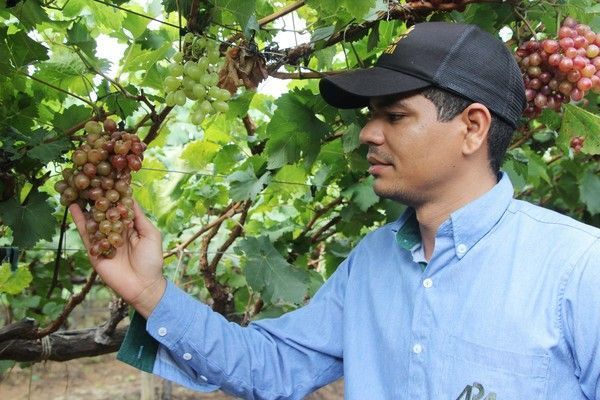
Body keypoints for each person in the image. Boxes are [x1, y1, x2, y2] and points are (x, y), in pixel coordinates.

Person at [70, 22, 600, 400]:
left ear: (473, 128)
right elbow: (272, 366)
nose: (368, 133)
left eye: (395, 116)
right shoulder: (371, 262)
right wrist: (149, 293)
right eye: (371, 116)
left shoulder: (578, 270)